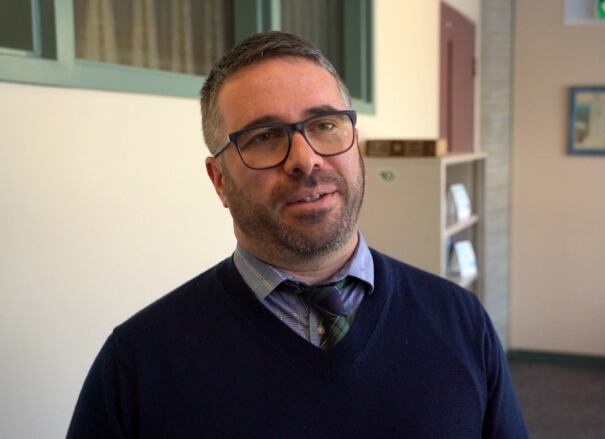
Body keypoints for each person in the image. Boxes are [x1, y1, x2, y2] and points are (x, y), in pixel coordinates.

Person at [67, 31, 528, 438]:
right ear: (219, 180)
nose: (305, 160)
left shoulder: (461, 322)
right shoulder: (138, 363)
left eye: (325, 125)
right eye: (265, 136)